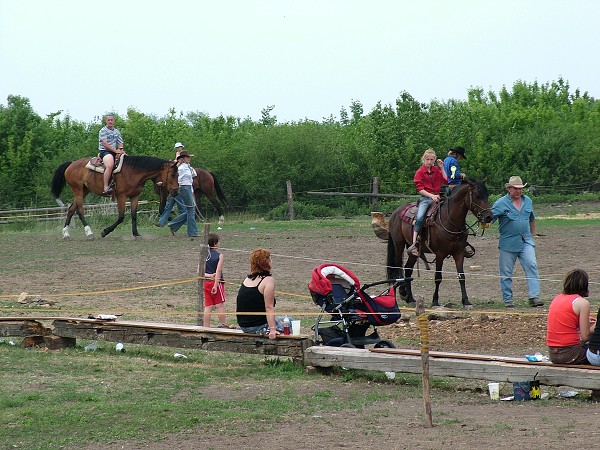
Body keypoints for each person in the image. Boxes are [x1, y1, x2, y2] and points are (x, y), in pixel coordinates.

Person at [491, 176, 543, 308]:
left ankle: (534, 297)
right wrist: (484, 222)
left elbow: (531, 218)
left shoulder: (528, 201)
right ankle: (508, 300)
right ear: (509, 189)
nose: (518, 191)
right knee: (506, 272)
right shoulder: (500, 203)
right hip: (508, 243)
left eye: (520, 188)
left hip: (526, 240)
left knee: (532, 265)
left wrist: (533, 234)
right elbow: (489, 219)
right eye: (515, 188)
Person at [547, 269, 596, 365]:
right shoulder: (582, 303)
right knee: (595, 351)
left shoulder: (557, 298)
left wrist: (580, 322)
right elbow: (585, 336)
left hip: (553, 353)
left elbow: (564, 323)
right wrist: (595, 327)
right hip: (571, 353)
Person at [407, 148, 448, 256]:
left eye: (431, 159)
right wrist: (431, 196)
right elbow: (420, 189)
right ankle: (414, 242)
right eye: (427, 159)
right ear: (424, 159)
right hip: (426, 198)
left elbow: (446, 180)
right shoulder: (419, 172)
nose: (429, 162)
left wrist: (442, 168)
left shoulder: (436, 170)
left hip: (438, 198)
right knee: (420, 217)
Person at [236, 248, 284, 340]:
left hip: (244, 326)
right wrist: (272, 329)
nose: (271, 261)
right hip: (258, 327)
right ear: (265, 262)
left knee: (282, 319)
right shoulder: (268, 281)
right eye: (270, 259)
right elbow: (269, 307)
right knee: (289, 322)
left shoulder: (247, 279)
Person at [443, 146, 475, 257]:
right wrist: (461, 175)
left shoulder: (446, 159)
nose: (460, 158)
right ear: (457, 154)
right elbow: (453, 174)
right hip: (455, 187)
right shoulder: (453, 161)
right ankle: (462, 241)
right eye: (461, 156)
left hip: (448, 186)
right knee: (460, 214)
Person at [167, 150, 199, 238]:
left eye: (189, 157)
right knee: (191, 209)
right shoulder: (181, 168)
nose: (189, 158)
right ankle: (192, 232)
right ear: (183, 159)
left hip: (188, 188)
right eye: (187, 157)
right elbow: (179, 180)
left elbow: (191, 178)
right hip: (184, 188)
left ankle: (173, 224)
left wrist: (191, 190)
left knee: (190, 210)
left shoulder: (188, 167)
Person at [154, 143, 186, 227]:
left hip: (177, 189)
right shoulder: (177, 158)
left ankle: (185, 222)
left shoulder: (183, 168)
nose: (178, 148)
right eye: (177, 147)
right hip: (174, 189)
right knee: (169, 206)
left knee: (181, 207)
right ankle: (161, 222)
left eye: (179, 147)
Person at [203, 233, 230, 328]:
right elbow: (218, 271)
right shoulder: (220, 255)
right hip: (217, 283)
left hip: (206, 282)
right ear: (215, 243)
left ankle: (206, 326)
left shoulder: (203, 255)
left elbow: (199, 271)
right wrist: (215, 284)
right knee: (220, 306)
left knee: (208, 306)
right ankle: (224, 325)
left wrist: (208, 275)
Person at [98, 113, 125, 194]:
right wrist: (115, 151)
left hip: (114, 151)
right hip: (105, 151)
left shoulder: (116, 131)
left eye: (111, 120)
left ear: (114, 121)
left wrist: (121, 149)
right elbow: (104, 143)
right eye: (108, 120)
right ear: (106, 121)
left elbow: (120, 142)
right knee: (109, 165)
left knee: (127, 162)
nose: (110, 121)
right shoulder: (103, 130)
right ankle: (105, 187)